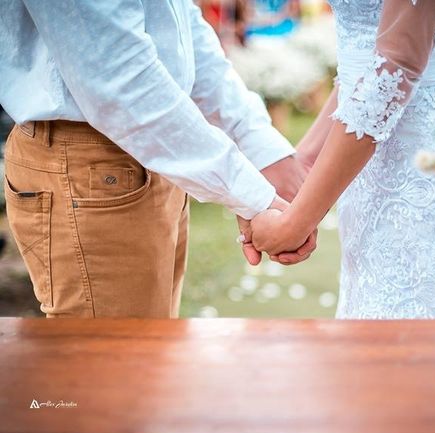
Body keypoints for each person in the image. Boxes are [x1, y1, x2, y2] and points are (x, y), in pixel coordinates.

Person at [0, 0, 314, 318]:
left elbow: (179, 23)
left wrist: (261, 147)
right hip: (96, 158)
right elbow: (117, 77)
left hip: (160, 145)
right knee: (113, 360)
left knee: (151, 351)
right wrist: (253, 196)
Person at [247, 0, 435, 319]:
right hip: (367, 170)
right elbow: (364, 62)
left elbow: (393, 70)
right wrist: (303, 164)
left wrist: (295, 222)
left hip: (430, 170)